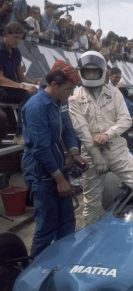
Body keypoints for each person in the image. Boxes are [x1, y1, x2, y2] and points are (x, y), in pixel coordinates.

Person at [68, 51, 133, 226]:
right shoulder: (75, 96)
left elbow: (126, 119)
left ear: (102, 71)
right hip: (91, 153)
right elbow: (81, 128)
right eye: (87, 71)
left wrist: (108, 134)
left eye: (94, 71)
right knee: (90, 205)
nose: (91, 75)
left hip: (116, 148)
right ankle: (90, 242)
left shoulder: (114, 93)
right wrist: (96, 155)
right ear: (81, 72)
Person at [21, 60, 87, 258]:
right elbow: (40, 148)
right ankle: (35, 271)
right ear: (54, 85)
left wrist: (74, 152)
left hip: (57, 165)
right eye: (68, 89)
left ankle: (63, 260)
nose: (71, 93)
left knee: (67, 221)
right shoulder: (36, 107)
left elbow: (67, 128)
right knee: (47, 226)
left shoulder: (60, 101)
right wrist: (59, 179)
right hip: (40, 170)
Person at [0, 22, 40, 143]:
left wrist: (33, 83)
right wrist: (21, 86)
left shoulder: (16, 52)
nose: (18, 41)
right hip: (2, 89)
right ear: (6, 34)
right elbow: (1, 79)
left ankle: (33, 129)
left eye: (20, 38)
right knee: (28, 94)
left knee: (41, 91)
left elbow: (21, 77)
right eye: (15, 37)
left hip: (12, 88)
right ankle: (20, 134)